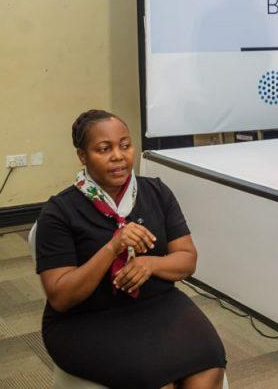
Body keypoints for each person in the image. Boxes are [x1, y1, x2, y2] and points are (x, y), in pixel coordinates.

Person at [35, 110, 226, 388]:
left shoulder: (156, 192)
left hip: (158, 304)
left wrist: (150, 264)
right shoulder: (60, 211)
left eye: (125, 145)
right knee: (159, 381)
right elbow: (61, 297)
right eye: (104, 149)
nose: (118, 156)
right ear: (82, 156)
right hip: (86, 319)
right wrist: (113, 246)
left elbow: (187, 260)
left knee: (209, 362)